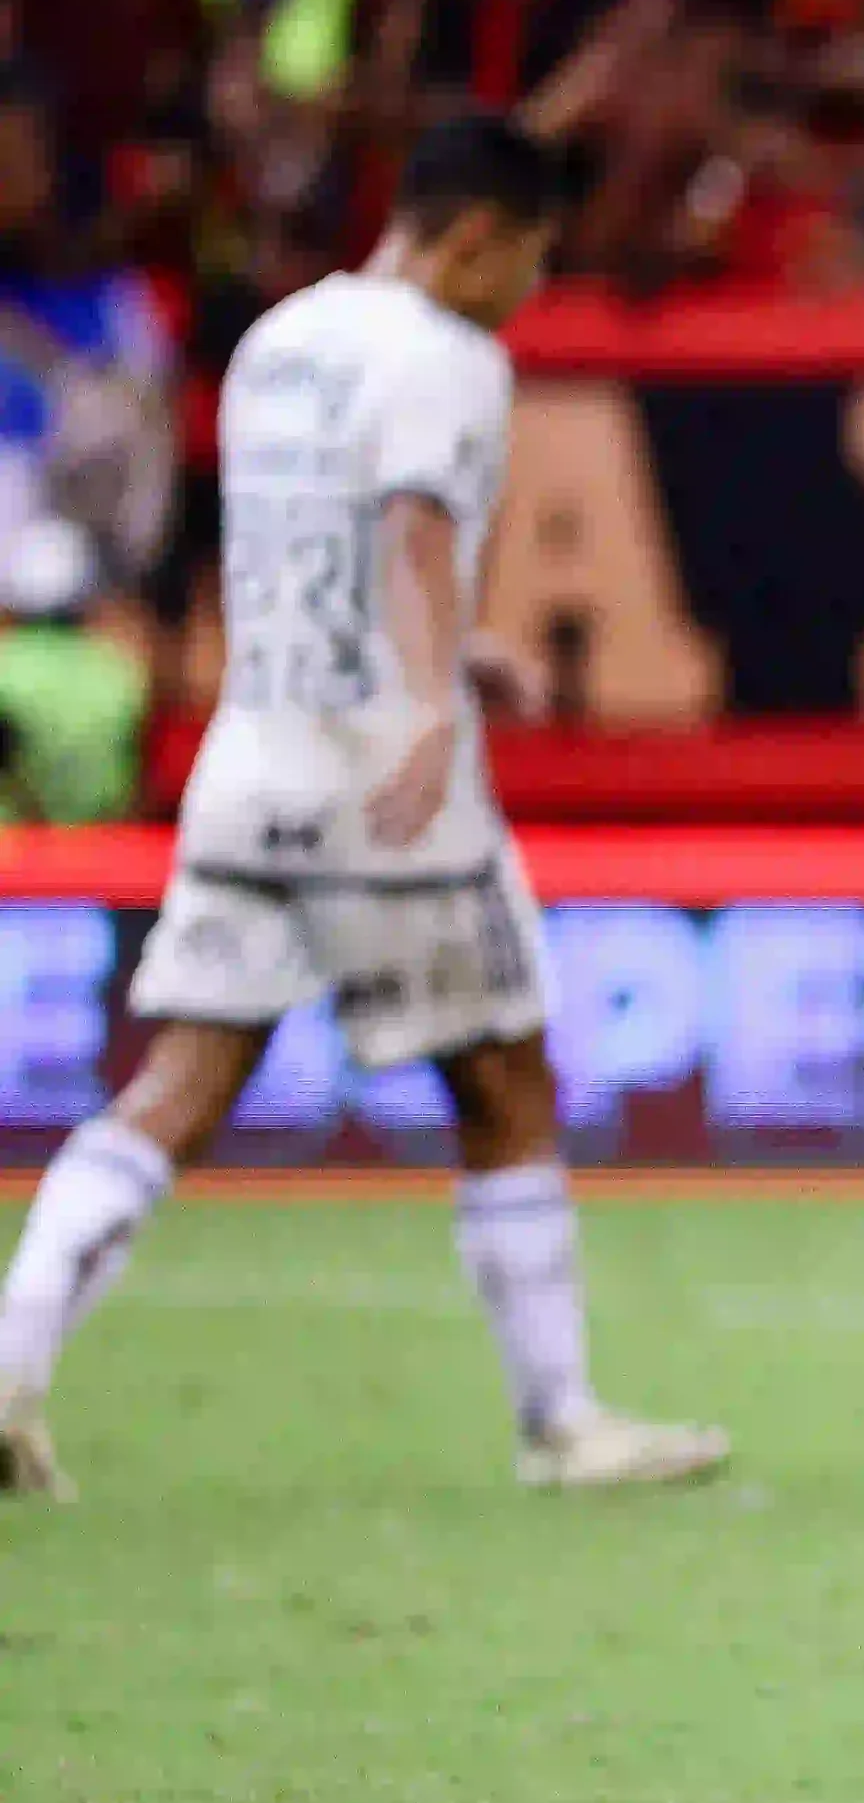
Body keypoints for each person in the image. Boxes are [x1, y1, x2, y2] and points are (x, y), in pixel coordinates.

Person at [0, 118, 727, 1502]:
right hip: (380, 776)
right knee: (504, 1074)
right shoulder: (447, 360)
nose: (528, 287)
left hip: (251, 756)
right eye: (528, 257)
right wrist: (431, 710)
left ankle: (11, 1360)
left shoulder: (285, 338)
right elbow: (411, 531)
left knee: (186, 1078)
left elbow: (301, 546)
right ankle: (564, 1420)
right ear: (471, 239)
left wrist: (457, 654)